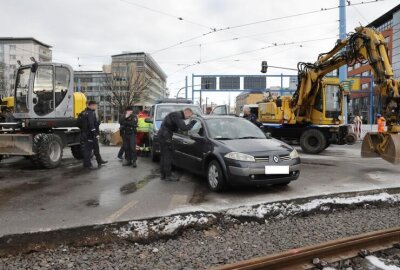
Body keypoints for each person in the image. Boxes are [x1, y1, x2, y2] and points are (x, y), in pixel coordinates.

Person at [159, 108, 196, 181]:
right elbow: (183, 128)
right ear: (187, 113)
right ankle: (168, 176)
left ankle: (163, 174)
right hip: (165, 136)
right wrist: (192, 123)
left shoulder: (176, 114)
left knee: (163, 156)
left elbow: (178, 126)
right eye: (189, 116)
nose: (188, 118)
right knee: (167, 156)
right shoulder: (177, 115)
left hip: (162, 135)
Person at [81, 101, 108, 170]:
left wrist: (97, 123)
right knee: (88, 150)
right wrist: (95, 134)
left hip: (89, 134)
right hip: (90, 135)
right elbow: (91, 125)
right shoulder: (89, 113)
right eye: (95, 106)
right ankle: (87, 165)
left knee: (96, 148)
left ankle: (99, 161)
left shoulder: (85, 112)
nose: (96, 107)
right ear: (91, 105)